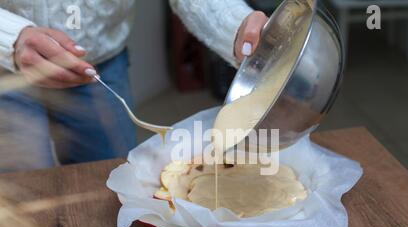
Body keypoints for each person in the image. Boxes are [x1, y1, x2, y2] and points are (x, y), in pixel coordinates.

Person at [0, 0, 268, 173]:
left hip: (99, 68)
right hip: (4, 73)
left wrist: (235, 27)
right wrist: (10, 37)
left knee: (110, 185)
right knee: (21, 200)